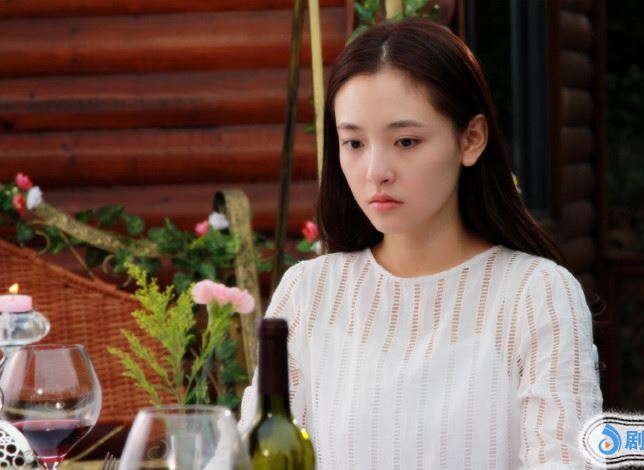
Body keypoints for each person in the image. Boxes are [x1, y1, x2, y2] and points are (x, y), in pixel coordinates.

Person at [238, 17, 603, 469]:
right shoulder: (309, 293)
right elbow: (251, 456)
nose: (376, 171)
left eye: (406, 141)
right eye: (353, 143)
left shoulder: (537, 294)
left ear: (471, 139)